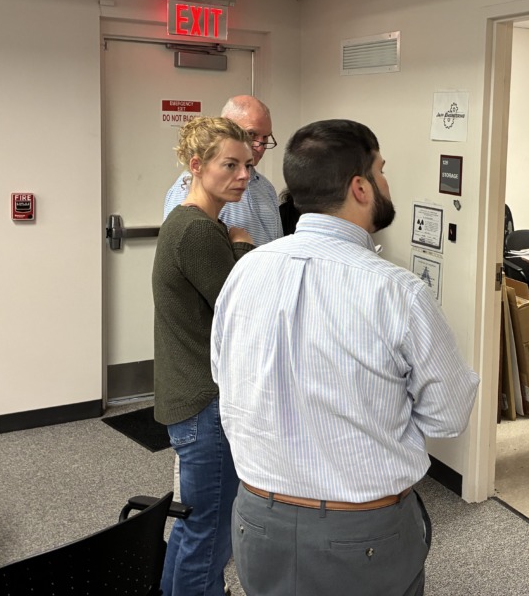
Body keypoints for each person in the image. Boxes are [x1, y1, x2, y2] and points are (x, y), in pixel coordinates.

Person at [211, 119, 480, 596]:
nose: (385, 182)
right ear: (360, 187)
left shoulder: (245, 271)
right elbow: (448, 417)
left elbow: (224, 376)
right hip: (363, 529)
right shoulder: (398, 292)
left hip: (257, 521)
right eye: (381, 170)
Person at [153, 116, 256, 596]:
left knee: (195, 527)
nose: (243, 175)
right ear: (197, 166)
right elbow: (241, 309)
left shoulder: (196, 224)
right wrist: (243, 247)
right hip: (204, 405)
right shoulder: (198, 232)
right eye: (229, 165)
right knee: (210, 535)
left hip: (193, 399)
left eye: (247, 165)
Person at [164, 95, 284, 246]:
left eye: (265, 138)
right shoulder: (190, 187)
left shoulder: (265, 188)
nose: (259, 146)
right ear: (226, 128)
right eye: (251, 134)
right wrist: (242, 246)